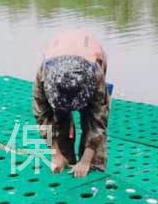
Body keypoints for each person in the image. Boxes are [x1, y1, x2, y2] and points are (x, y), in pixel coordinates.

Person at [33, 30, 110, 179]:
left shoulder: (96, 76)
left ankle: (92, 169)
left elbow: (98, 121)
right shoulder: (43, 77)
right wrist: (55, 154)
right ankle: (66, 160)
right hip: (59, 64)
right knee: (61, 122)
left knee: (90, 122)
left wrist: (86, 160)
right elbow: (42, 117)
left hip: (91, 58)